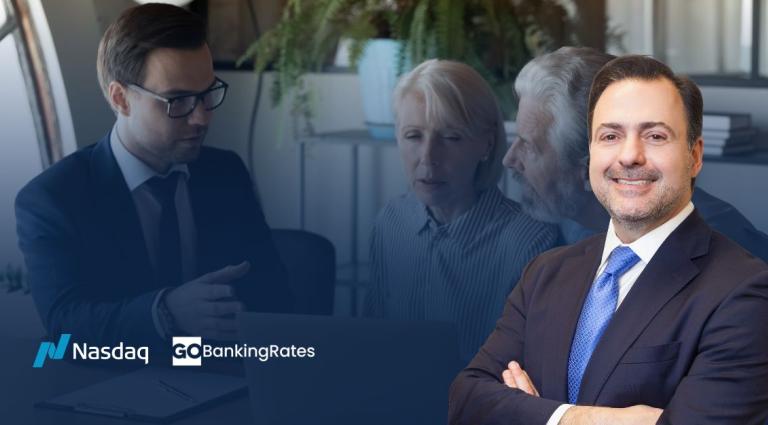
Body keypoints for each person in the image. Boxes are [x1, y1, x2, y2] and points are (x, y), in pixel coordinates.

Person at [448, 55, 768, 424]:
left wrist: (527, 413)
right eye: (610, 136)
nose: (630, 155)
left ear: (694, 156)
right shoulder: (544, 274)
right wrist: (582, 419)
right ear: (590, 155)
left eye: (655, 136)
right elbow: (467, 400)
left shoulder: (746, 292)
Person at [15, 4, 293, 347]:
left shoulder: (225, 173)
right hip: (109, 385)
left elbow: (274, 294)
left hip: (222, 378)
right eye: (178, 101)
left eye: (208, 93)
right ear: (121, 99)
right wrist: (164, 312)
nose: (202, 118)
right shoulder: (54, 198)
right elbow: (64, 326)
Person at [364, 59, 558, 361]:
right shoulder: (391, 222)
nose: (428, 158)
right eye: (413, 136)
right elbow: (369, 343)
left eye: (451, 137)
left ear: (486, 145)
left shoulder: (531, 242)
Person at [505, 46, 768, 261]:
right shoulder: (570, 230)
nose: (510, 160)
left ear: (590, 167)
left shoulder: (721, 253)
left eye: (528, 146)